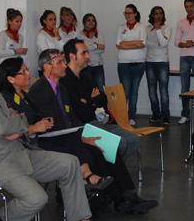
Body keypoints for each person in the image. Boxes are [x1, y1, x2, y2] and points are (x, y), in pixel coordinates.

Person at [0, 50, 92, 221]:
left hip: (17, 153)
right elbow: (0, 127)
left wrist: (15, 125)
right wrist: (14, 125)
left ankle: (79, 217)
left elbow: (17, 118)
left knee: (70, 163)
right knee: (37, 198)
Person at [27, 49, 157, 214]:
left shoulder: (61, 89)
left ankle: (128, 196)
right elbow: (51, 124)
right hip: (53, 139)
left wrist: (83, 131)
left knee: (107, 144)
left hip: (69, 134)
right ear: (47, 67)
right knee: (96, 147)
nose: (64, 65)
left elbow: (72, 118)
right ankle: (119, 199)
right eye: (60, 62)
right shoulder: (39, 90)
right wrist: (81, 135)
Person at [0, 57, 113, 192]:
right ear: (11, 79)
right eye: (23, 71)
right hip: (25, 145)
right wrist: (35, 127)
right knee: (72, 141)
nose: (29, 73)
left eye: (27, 69)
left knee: (79, 139)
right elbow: (12, 129)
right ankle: (86, 177)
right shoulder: (6, 99)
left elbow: (38, 116)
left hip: (40, 136)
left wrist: (43, 122)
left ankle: (87, 177)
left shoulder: (24, 95)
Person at [61, 38, 140, 159]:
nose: (88, 56)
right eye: (84, 53)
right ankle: (108, 170)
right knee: (120, 143)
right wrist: (92, 100)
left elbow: (103, 99)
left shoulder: (85, 76)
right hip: (83, 127)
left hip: (97, 121)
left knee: (133, 139)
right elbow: (79, 111)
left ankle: (112, 169)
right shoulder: (64, 80)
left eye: (88, 52)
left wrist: (88, 100)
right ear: (72, 56)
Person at [116, 4, 146, 126]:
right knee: (125, 92)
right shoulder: (121, 27)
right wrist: (135, 42)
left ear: (135, 14)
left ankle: (131, 116)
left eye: (129, 13)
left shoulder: (141, 27)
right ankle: (122, 116)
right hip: (123, 64)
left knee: (134, 91)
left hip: (138, 64)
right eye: (125, 13)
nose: (127, 15)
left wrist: (126, 44)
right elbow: (118, 44)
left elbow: (142, 44)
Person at [146, 6, 172, 125]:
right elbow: (145, 43)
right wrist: (155, 42)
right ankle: (156, 115)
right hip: (149, 62)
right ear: (152, 15)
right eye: (156, 13)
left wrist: (157, 30)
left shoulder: (167, 27)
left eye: (160, 13)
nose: (158, 15)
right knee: (152, 91)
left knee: (163, 90)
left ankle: (165, 116)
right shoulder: (146, 28)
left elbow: (163, 43)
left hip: (162, 62)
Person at [78, 13, 106, 91]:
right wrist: (96, 45)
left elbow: (102, 49)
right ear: (84, 22)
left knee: (101, 89)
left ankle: (101, 104)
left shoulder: (99, 34)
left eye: (93, 21)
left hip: (98, 66)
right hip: (85, 66)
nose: (91, 22)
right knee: (87, 90)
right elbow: (82, 50)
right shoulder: (79, 35)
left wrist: (89, 47)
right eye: (88, 20)